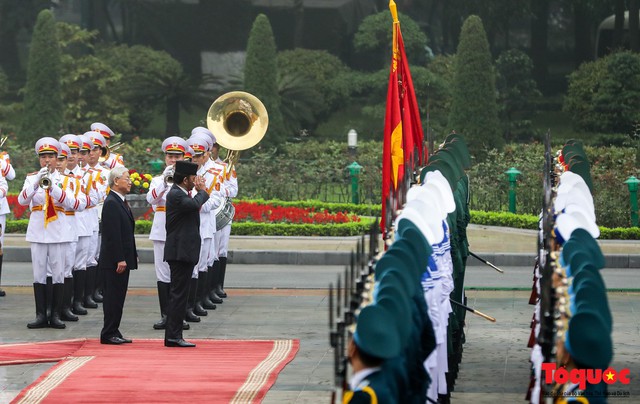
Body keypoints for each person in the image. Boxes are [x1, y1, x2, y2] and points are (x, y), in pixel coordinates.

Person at [18, 138, 81, 329]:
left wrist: (52, 187)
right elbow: (22, 201)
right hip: (38, 231)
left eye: (50, 157)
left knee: (58, 273)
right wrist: (37, 183)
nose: (47, 160)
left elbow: (73, 204)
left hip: (58, 232)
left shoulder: (65, 180)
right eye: (43, 157)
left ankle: (55, 314)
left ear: (57, 158)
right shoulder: (31, 178)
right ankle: (40, 314)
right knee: (38, 273)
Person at [163, 160, 209, 348]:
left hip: (185, 251)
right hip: (179, 252)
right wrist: (203, 191)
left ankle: (174, 334)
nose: (195, 181)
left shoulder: (182, 193)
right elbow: (193, 204)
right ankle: (173, 336)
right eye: (192, 178)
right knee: (178, 295)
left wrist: (199, 192)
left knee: (180, 294)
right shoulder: (175, 194)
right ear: (184, 179)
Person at [146, 136, 189, 330]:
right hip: (161, 231)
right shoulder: (157, 180)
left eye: (177, 156)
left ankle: (179, 315)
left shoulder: (188, 181)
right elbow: (151, 200)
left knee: (179, 276)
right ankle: (166, 314)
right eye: (170, 156)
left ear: (183, 157)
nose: (173, 160)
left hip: (179, 231)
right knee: (163, 275)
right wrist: (165, 182)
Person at [99, 166, 137, 345]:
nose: (130, 182)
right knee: (113, 297)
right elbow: (112, 236)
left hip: (122, 258)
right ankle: (108, 333)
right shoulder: (112, 203)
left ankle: (114, 329)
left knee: (118, 296)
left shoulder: (119, 200)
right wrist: (120, 258)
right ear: (115, 181)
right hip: (114, 261)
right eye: (126, 178)